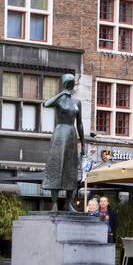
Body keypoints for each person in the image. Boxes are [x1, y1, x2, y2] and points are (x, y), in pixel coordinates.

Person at [42, 74, 87, 212]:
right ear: (64, 84)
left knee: (70, 169)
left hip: (71, 135)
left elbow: (80, 124)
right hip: (60, 134)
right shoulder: (59, 100)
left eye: (72, 83)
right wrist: (61, 93)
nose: (70, 85)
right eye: (68, 83)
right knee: (56, 166)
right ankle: (54, 203)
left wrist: (83, 143)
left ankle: (68, 203)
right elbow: (46, 104)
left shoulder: (77, 102)